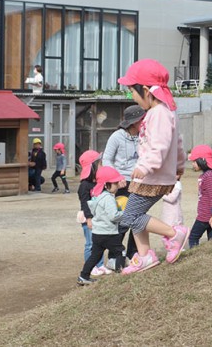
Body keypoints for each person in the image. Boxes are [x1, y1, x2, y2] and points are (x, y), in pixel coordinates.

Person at [117, 59, 188, 274]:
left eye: (132, 91)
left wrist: (146, 166)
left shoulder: (159, 114)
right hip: (153, 175)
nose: (132, 96)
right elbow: (178, 143)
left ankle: (173, 234)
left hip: (153, 176)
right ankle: (145, 255)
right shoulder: (163, 112)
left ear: (146, 90)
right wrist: (179, 165)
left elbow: (160, 145)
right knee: (134, 214)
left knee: (130, 216)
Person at [102, 104, 144, 265]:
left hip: (140, 182)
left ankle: (134, 253)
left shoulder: (143, 136)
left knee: (139, 219)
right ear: (134, 122)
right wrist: (116, 176)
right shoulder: (116, 137)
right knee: (123, 220)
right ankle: (115, 255)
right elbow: (107, 159)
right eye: (142, 120)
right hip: (122, 183)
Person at [77, 166, 126, 285]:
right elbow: (113, 216)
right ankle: (121, 274)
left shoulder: (97, 197)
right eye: (115, 183)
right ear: (106, 185)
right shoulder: (108, 199)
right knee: (121, 251)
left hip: (97, 233)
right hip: (108, 233)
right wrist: (125, 213)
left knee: (95, 255)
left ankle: (83, 276)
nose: (117, 185)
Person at [77, 150, 109, 276]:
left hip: (98, 217)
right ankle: (90, 267)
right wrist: (89, 218)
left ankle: (100, 265)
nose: (101, 165)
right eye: (99, 163)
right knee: (90, 244)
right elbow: (85, 203)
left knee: (98, 243)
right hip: (88, 218)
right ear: (92, 167)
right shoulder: (84, 185)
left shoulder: (99, 182)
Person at [187, 145, 212, 248]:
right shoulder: (209, 174)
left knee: (193, 237)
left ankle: (194, 258)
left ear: (202, 161)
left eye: (194, 161)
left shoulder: (209, 176)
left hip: (207, 215)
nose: (192, 164)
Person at [159, 178, 184, 248]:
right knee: (166, 229)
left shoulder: (177, 184)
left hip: (174, 213)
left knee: (174, 229)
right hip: (167, 212)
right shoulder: (168, 183)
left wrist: (161, 194)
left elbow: (172, 198)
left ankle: (177, 247)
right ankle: (170, 247)